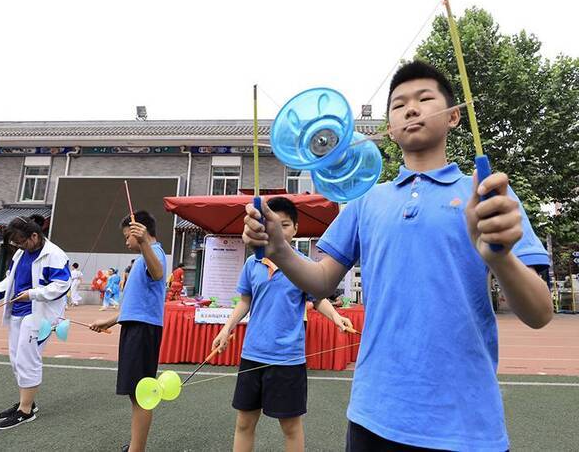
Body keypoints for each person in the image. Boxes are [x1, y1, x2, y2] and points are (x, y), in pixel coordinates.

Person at [242, 61, 553, 451]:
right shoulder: (367, 200)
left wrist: (500, 256)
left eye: (425, 98)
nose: (411, 108)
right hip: (373, 416)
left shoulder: (485, 195)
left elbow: (540, 313)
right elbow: (322, 280)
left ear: (455, 116)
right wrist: (280, 249)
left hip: (467, 426)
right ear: (389, 128)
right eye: (399, 104)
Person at [212, 196, 353, 452]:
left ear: (295, 229)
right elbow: (245, 301)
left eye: (285, 225)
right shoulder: (251, 263)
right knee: (244, 423)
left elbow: (318, 299)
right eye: (271, 224)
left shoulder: (305, 266)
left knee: (290, 427)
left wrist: (336, 317)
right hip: (252, 355)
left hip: (288, 359)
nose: (278, 230)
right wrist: (226, 329)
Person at [0, 214, 71, 430]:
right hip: (18, 312)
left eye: (20, 241)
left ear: (34, 236)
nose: (18, 246)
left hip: (40, 315)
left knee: (28, 359)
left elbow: (62, 285)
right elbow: (11, 280)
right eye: (15, 243)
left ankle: (25, 411)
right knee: (16, 359)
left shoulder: (54, 255)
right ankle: (27, 402)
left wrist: (33, 294)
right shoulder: (21, 253)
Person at [90, 211, 166, 452]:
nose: (126, 242)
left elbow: (158, 273)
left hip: (143, 332)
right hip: (135, 328)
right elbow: (137, 304)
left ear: (140, 231)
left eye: (127, 236)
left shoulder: (154, 254)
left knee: (141, 394)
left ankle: (137, 449)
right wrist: (111, 321)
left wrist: (144, 243)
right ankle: (136, 445)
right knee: (137, 393)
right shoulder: (144, 257)